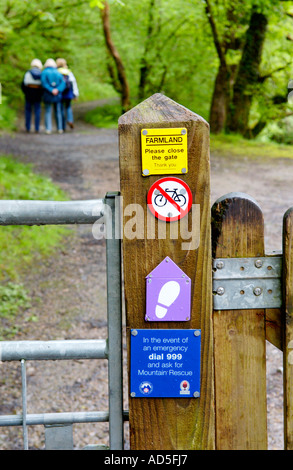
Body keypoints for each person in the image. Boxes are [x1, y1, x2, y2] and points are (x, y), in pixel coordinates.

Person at [41, 58, 66, 134]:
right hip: (57, 94)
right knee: (58, 111)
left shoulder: (44, 72)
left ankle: (48, 128)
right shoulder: (58, 72)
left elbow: (44, 83)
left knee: (48, 111)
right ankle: (60, 128)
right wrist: (57, 90)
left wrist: (51, 90)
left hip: (48, 94)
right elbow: (63, 83)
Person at [56, 58, 79, 130]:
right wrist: (75, 94)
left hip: (60, 92)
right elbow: (73, 83)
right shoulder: (68, 72)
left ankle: (62, 126)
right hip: (69, 92)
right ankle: (70, 120)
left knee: (61, 108)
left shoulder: (56, 72)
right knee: (68, 107)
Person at [21, 59, 43, 133]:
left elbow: (23, 84)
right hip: (38, 94)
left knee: (28, 111)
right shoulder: (41, 73)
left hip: (29, 94)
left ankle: (28, 127)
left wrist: (26, 92)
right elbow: (43, 85)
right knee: (37, 111)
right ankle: (37, 128)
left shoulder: (28, 73)